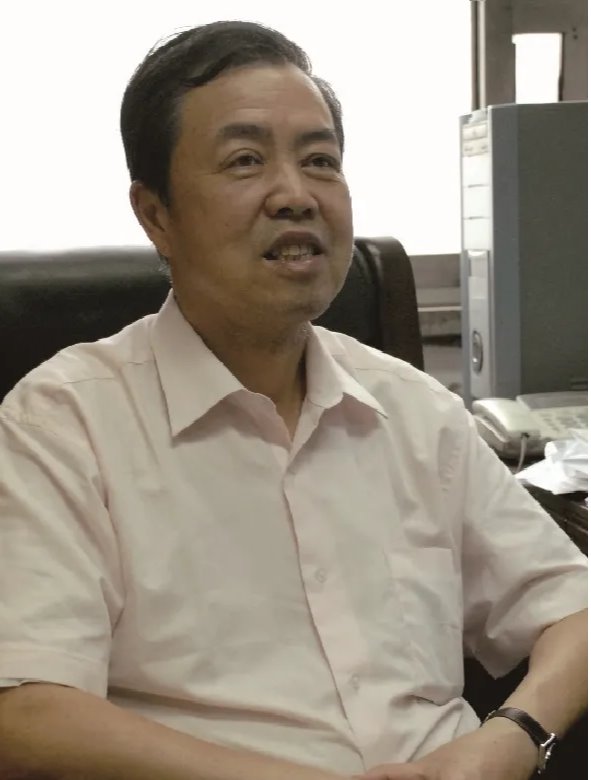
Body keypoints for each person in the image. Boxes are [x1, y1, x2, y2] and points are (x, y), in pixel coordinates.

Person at [0, 20, 586, 780]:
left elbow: (572, 607)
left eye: (320, 161)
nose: (296, 195)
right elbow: (27, 710)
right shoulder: (63, 423)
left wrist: (511, 738)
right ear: (156, 214)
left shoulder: (413, 409)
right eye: (245, 161)